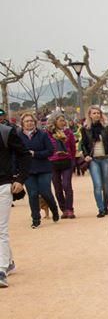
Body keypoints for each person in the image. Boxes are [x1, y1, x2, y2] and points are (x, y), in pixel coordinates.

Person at [0, 117, 30, 287]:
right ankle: (8, 261)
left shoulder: (5, 132)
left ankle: (1, 270)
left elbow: (24, 155)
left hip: (3, 185)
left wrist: (20, 179)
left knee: (1, 229)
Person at [17, 112, 58, 228]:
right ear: (22, 124)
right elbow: (15, 154)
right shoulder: (18, 136)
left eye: (31, 121)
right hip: (27, 170)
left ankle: (54, 209)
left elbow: (50, 151)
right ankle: (35, 219)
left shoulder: (42, 134)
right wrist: (15, 170)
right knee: (33, 194)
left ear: (35, 122)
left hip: (44, 168)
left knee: (45, 192)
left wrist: (35, 153)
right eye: (26, 121)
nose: (29, 123)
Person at [47, 112, 78, 219]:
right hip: (53, 163)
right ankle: (63, 209)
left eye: (64, 120)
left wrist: (73, 160)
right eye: (60, 120)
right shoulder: (48, 133)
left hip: (67, 162)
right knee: (57, 188)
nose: (63, 122)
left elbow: (73, 147)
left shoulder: (68, 133)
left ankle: (70, 209)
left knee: (66, 185)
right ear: (54, 121)